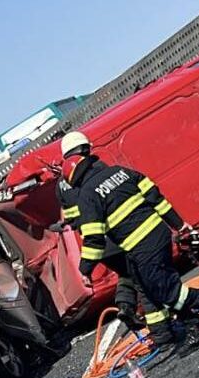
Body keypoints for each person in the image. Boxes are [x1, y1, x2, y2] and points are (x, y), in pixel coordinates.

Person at [61, 131, 199, 354]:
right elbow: (155, 197)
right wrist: (179, 224)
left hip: (141, 246)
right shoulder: (120, 172)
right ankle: (196, 330)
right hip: (158, 236)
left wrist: (84, 270)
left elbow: (94, 239)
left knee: (168, 293)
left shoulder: (87, 194)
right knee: (157, 289)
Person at [51, 132, 145, 332]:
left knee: (126, 273)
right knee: (140, 274)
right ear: (85, 148)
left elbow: (72, 218)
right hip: (112, 234)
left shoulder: (61, 185)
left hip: (93, 243)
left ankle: (126, 307)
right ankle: (149, 317)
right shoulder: (96, 168)